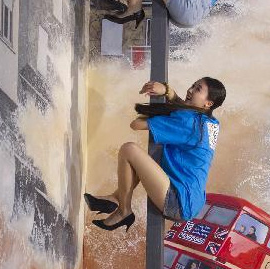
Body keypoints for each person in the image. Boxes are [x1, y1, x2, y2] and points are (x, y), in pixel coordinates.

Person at [84, 77, 226, 233]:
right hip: (192, 200)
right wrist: (168, 92)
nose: (190, 90)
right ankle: (115, 198)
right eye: (193, 85)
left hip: (178, 201)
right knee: (142, 161)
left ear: (208, 103)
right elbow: (185, 111)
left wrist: (159, 103)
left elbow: (136, 125)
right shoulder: (210, 123)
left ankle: (124, 211)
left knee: (129, 150)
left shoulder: (188, 123)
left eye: (198, 89)